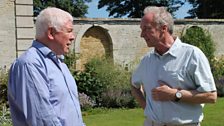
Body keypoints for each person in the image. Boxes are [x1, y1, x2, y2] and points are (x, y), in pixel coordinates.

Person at [131, 6, 217, 126]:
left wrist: (175, 94)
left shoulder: (191, 54)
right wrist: (146, 108)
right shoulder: (147, 60)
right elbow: (134, 85)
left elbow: (211, 96)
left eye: (147, 29)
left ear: (163, 28)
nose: (141, 35)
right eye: (141, 29)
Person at [7, 7, 85, 126]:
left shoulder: (59, 63)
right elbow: (42, 119)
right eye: (69, 31)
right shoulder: (30, 64)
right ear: (51, 33)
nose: (73, 37)